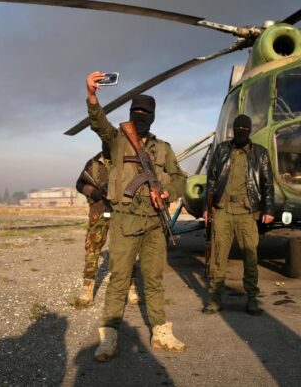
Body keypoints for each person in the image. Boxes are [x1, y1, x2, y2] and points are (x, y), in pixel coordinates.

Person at [85, 71, 187, 362]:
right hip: (125, 220)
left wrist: (167, 191)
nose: (140, 116)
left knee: (154, 279)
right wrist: (93, 95)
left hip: (155, 223)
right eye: (136, 112)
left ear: (153, 117)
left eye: (145, 113)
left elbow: (180, 178)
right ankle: (109, 336)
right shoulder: (117, 140)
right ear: (130, 113)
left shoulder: (163, 148)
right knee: (119, 279)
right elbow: (98, 123)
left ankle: (160, 331)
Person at [203, 114, 275, 316]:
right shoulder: (222, 150)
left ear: (249, 131)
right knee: (218, 258)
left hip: (247, 212)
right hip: (223, 211)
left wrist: (269, 210)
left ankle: (252, 298)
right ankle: (215, 298)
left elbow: (267, 184)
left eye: (244, 129)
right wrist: (206, 208)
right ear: (233, 130)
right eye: (237, 129)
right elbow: (211, 180)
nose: (240, 132)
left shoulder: (260, 154)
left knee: (250, 258)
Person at [74, 141, 140, 307]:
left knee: (127, 250)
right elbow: (80, 184)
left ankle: (131, 286)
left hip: (122, 212)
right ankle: (87, 288)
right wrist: (95, 192)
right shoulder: (93, 163)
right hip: (99, 211)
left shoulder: (127, 162)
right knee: (93, 249)